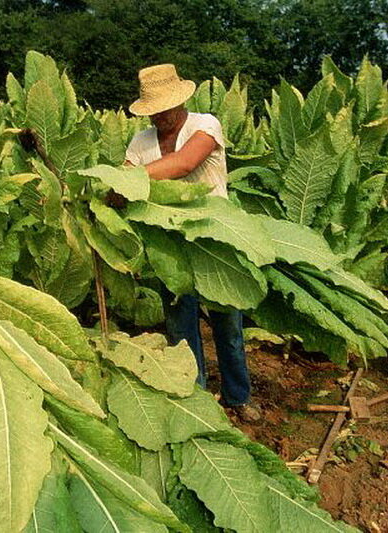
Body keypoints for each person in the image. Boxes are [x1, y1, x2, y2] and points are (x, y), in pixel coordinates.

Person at [124, 64, 261, 422]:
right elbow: (123, 182)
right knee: (180, 331)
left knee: (227, 327)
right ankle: (195, 402)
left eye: (163, 109)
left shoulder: (205, 125)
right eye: (152, 111)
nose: (158, 117)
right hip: (170, 248)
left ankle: (237, 397)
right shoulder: (140, 142)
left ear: (180, 101)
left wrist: (121, 180)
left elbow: (184, 164)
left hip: (216, 242)